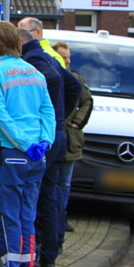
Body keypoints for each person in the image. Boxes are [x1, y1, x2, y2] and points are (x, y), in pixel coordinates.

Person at [0, 22, 55, 267]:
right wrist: (43, 142)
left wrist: (23, 143)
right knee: (27, 216)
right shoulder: (34, 72)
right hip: (36, 155)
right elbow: (47, 110)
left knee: (8, 216)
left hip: (7, 153)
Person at [20, 27, 82, 267]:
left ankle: (38, 258)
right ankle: (50, 258)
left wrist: (51, 116)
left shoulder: (33, 60)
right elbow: (73, 84)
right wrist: (60, 116)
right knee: (52, 195)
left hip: (45, 136)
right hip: (57, 133)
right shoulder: (46, 55)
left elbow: (57, 82)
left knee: (40, 197)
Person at [51, 41, 93, 246]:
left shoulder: (76, 78)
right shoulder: (51, 75)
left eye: (68, 57)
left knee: (65, 183)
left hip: (71, 140)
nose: (67, 60)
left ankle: (62, 217)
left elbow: (87, 101)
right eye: (63, 57)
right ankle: (55, 220)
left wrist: (77, 122)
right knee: (53, 182)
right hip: (55, 137)